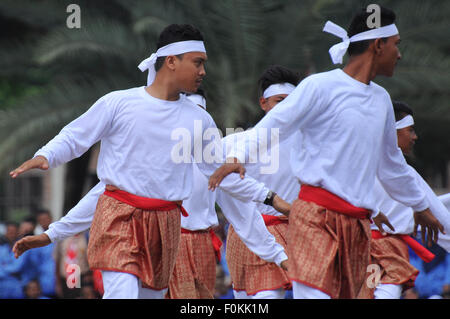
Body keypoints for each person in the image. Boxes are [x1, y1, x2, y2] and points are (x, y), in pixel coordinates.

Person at [10, 24, 290, 299]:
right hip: (118, 218)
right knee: (123, 292)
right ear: (171, 61)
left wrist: (270, 198)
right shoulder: (119, 103)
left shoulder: (199, 121)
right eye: (197, 63)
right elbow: (75, 137)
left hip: (165, 227)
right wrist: (47, 155)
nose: (203, 71)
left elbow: (222, 176)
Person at [209, 6, 444, 299]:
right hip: (315, 219)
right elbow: (272, 128)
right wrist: (234, 159)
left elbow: (392, 167)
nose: (400, 54)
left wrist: (421, 207)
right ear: (377, 44)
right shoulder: (320, 87)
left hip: (357, 227)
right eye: (396, 44)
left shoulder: (382, 100)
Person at [358, 101, 450, 299]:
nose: (415, 136)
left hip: (354, 246)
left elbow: (429, 207)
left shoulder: (357, 166)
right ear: (393, 133)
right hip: (385, 250)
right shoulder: (404, 174)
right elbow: (440, 219)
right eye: (410, 130)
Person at [223, 65, 300, 299]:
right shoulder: (238, 142)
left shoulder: (310, 144)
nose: (285, 108)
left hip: (292, 231)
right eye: (279, 100)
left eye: (291, 101)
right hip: (248, 233)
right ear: (263, 103)